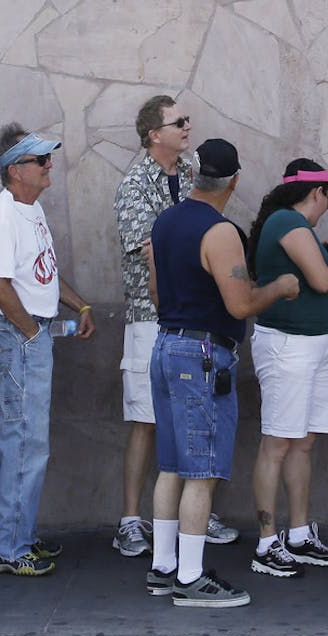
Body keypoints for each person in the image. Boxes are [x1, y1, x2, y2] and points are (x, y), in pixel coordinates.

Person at [144, 138, 300, 607]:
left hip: (167, 344)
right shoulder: (221, 231)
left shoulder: (165, 222)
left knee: (171, 464)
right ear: (234, 181)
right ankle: (190, 578)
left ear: (195, 173)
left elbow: (156, 292)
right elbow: (241, 303)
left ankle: (163, 567)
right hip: (202, 355)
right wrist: (280, 287)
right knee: (201, 470)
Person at [112, 95, 240, 556]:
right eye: (178, 122)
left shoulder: (191, 174)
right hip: (152, 317)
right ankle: (130, 520)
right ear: (154, 134)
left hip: (191, 317)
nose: (188, 127)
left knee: (190, 421)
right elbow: (150, 248)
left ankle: (195, 516)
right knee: (148, 422)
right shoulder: (134, 185)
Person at [0, 124, 94, 576]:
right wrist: (31, 334)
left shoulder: (31, 209)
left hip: (29, 334)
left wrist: (79, 304)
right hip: (19, 338)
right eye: (40, 160)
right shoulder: (4, 215)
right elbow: (0, 286)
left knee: (29, 442)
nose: (49, 166)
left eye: (48, 158)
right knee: (23, 442)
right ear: (15, 171)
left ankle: (20, 538)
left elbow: (42, 274)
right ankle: (7, 548)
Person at [243, 160, 328, 577]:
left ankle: (300, 535)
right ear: (317, 192)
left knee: (302, 441)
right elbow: (323, 282)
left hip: (312, 345)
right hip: (289, 347)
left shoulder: (289, 223)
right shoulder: (288, 221)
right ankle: (267, 543)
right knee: (277, 443)